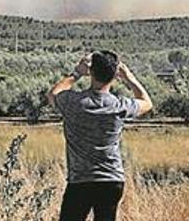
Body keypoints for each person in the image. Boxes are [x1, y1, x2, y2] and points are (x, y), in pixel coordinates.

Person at [47, 50, 153, 221]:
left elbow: (53, 94)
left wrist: (77, 73)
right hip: (112, 180)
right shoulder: (119, 105)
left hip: (80, 180)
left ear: (91, 72)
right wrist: (129, 77)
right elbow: (147, 102)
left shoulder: (74, 103)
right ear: (114, 75)